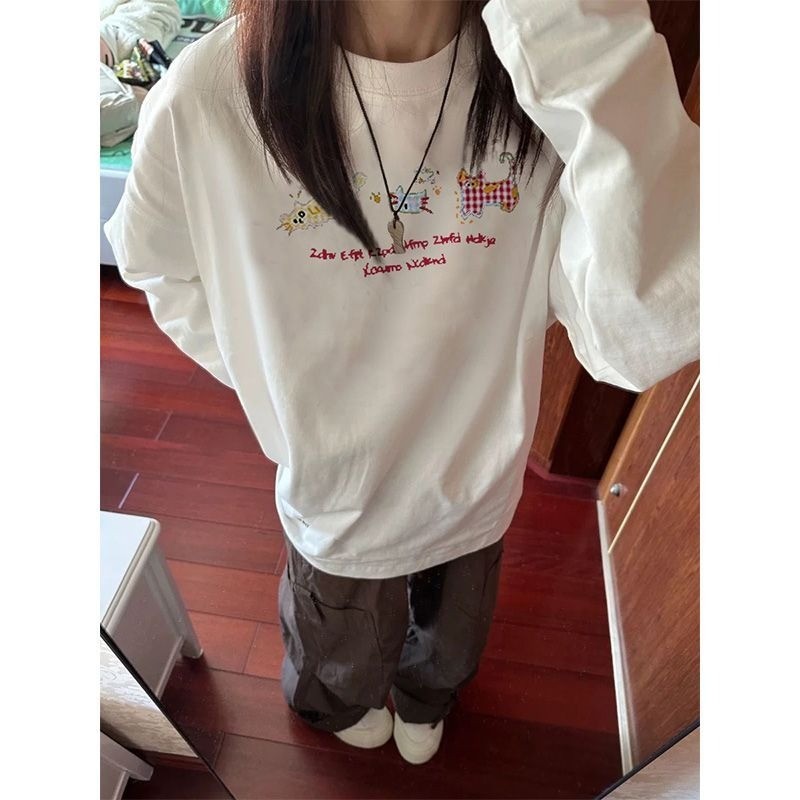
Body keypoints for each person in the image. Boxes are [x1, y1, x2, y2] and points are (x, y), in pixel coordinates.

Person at [103, 0, 699, 765]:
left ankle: (426, 697)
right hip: (336, 482)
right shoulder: (210, 92)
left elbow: (637, 326)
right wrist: (272, 382)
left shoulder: (551, 63)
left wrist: (588, 50)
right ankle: (336, 703)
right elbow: (156, 262)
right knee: (337, 638)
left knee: (451, 637)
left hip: (475, 472)